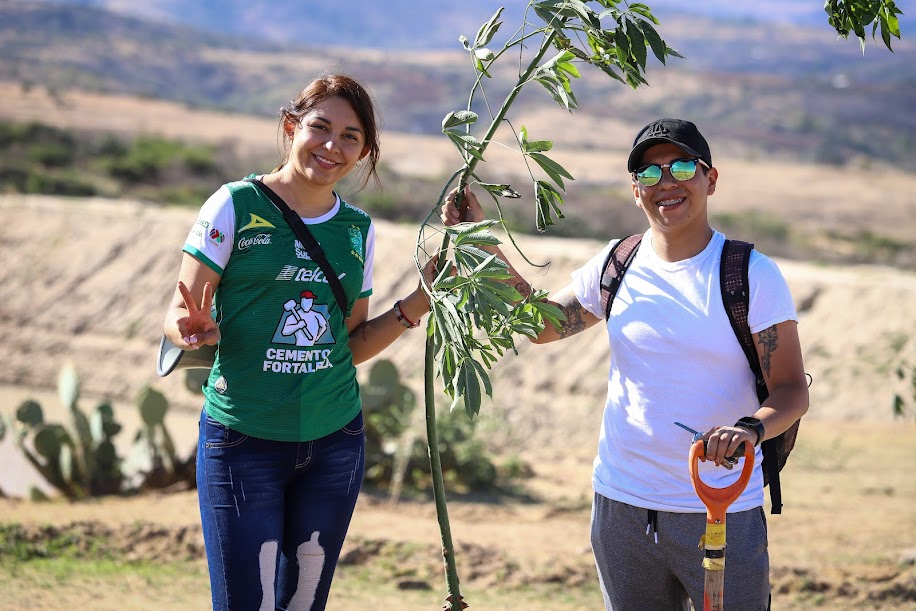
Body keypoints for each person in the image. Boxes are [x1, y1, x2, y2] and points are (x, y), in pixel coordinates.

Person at [440, 118, 809, 610]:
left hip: (719, 506)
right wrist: (479, 238)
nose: (666, 183)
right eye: (650, 174)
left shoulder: (750, 275)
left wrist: (748, 431)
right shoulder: (617, 264)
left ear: (710, 179)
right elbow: (542, 326)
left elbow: (791, 391)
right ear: (637, 192)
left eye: (681, 166)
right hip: (622, 508)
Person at [162, 74, 433, 611]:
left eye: (351, 137)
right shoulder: (234, 205)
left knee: (303, 605)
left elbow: (350, 344)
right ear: (291, 128)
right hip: (244, 441)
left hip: (335, 443)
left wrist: (421, 300)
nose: (332, 146)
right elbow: (180, 310)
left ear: (365, 152)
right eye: (320, 127)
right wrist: (189, 328)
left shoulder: (357, 229)